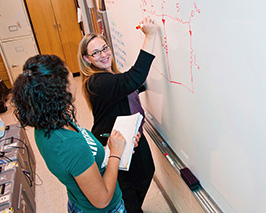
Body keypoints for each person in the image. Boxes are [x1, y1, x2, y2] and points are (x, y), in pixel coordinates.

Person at [11, 54, 141, 212]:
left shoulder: (49, 121)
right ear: (61, 90)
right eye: (70, 76)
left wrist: (113, 147)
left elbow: (81, 160)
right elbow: (102, 199)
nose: (75, 80)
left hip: (78, 201)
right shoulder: (68, 144)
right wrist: (115, 154)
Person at [78, 17, 157, 213]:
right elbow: (133, 78)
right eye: (95, 53)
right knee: (127, 187)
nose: (104, 54)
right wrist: (151, 36)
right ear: (87, 59)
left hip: (131, 134)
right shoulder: (97, 82)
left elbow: (126, 88)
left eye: (105, 48)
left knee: (147, 172)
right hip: (114, 141)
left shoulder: (108, 74)